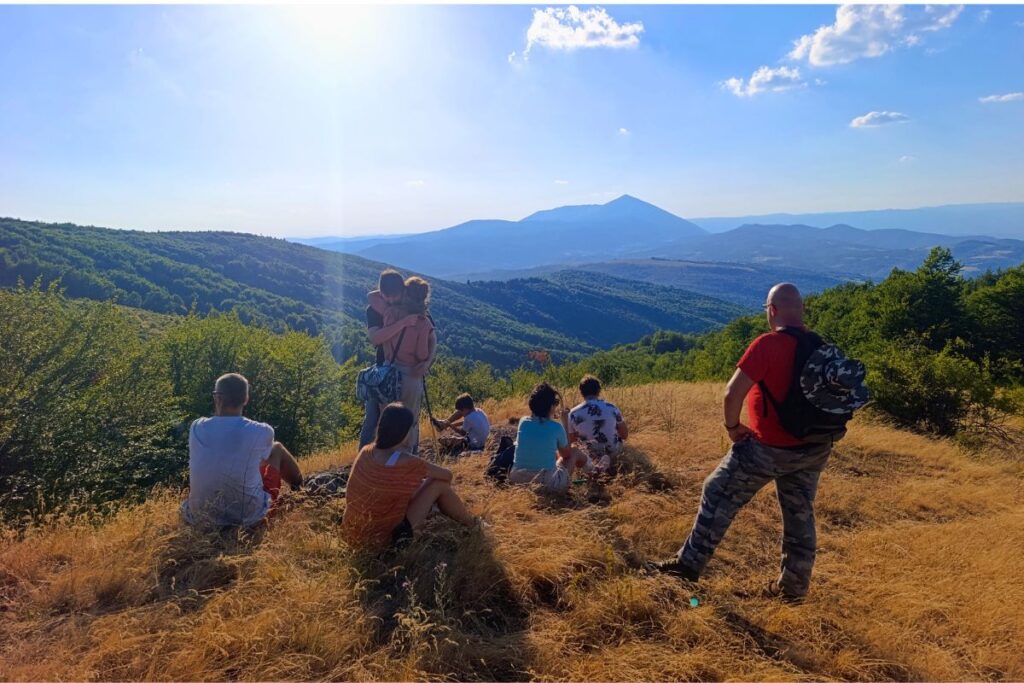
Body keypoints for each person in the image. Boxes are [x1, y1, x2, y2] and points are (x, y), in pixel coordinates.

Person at [654, 283, 836, 601]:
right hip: (814, 447)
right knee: (799, 512)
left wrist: (733, 427)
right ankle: (793, 589)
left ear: (773, 310)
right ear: (801, 310)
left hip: (770, 448)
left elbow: (731, 393)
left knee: (717, 490)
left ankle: (687, 568)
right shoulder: (819, 345)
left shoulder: (767, 344)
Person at [342, 402, 478, 551]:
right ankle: (472, 525)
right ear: (404, 432)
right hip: (386, 542)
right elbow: (447, 475)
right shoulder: (407, 461)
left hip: (352, 536)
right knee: (438, 484)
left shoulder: (366, 452)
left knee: (420, 485)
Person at [182, 373, 303, 529]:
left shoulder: (197, 427)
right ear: (246, 399)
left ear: (217, 398)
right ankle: (300, 490)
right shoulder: (262, 431)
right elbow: (258, 461)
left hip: (200, 518)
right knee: (276, 449)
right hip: (249, 518)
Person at [360, 270, 421, 449]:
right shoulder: (374, 309)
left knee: (410, 418)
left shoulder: (412, 306)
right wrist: (401, 323)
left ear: (404, 291)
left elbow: (429, 333)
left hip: (409, 370)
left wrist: (427, 361)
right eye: (388, 297)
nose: (392, 301)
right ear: (381, 293)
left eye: (396, 296)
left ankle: (408, 458)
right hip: (384, 371)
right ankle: (364, 461)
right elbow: (375, 338)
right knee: (373, 419)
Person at [381, 276, 436, 453]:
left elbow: (384, 340)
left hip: (388, 373)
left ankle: (382, 461)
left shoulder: (390, 313)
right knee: (409, 421)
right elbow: (422, 354)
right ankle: (403, 461)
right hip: (410, 375)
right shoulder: (423, 322)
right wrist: (427, 358)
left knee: (386, 421)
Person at [507, 383, 589, 493]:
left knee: (553, 455)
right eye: (555, 403)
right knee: (574, 451)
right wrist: (565, 422)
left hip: (517, 480)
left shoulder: (523, 422)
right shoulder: (556, 427)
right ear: (551, 406)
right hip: (546, 483)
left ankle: (594, 471)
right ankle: (594, 472)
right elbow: (567, 454)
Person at [567, 375, 628, 474]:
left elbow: (571, 440)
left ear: (581, 392)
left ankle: (594, 468)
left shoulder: (573, 413)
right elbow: (625, 435)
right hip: (613, 452)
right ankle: (608, 465)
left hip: (588, 456)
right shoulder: (612, 408)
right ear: (599, 391)